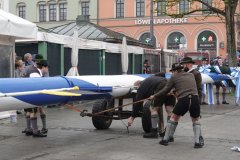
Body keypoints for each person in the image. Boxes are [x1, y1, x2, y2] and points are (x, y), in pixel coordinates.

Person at [150, 63, 204, 148]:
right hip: (195, 98)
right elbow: (185, 85)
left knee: (173, 117)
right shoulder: (190, 75)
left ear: (175, 71)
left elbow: (165, 90)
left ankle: (165, 139)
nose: (172, 73)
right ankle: (197, 142)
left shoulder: (174, 77)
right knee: (195, 119)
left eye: (172, 71)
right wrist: (175, 90)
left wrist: (155, 95)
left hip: (184, 99)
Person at [128, 73, 176, 138]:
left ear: (138, 85)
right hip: (170, 85)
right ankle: (169, 134)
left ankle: (154, 132)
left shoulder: (142, 86)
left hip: (161, 85)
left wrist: (132, 117)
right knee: (170, 111)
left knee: (153, 109)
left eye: (137, 89)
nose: (137, 90)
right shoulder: (150, 80)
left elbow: (138, 103)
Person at [22, 59, 49, 137]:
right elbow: (36, 86)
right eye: (47, 68)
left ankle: (29, 129)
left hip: (26, 94)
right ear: (43, 67)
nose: (47, 70)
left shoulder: (32, 69)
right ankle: (35, 131)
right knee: (33, 112)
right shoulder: (35, 73)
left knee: (28, 111)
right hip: (32, 95)